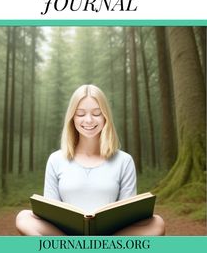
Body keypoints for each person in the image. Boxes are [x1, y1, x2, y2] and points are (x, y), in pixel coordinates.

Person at [16, 84, 165, 236]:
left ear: (105, 116)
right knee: (23, 218)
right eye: (80, 114)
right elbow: (49, 214)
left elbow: (128, 217)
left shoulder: (124, 160)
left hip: (110, 239)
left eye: (97, 113)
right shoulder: (56, 159)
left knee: (157, 223)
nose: (88, 120)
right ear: (72, 118)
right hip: (66, 238)